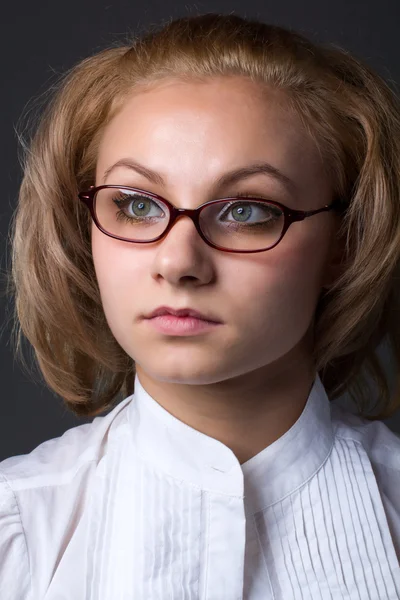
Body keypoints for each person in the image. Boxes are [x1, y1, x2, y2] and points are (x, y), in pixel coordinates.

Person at [1, 11, 400, 599]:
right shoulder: (17, 532)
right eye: (136, 205)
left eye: (246, 210)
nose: (178, 261)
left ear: (345, 242)